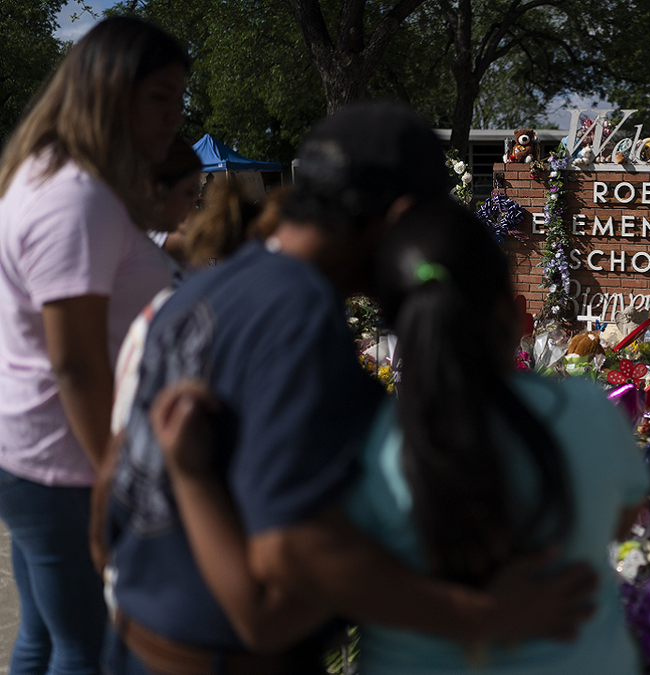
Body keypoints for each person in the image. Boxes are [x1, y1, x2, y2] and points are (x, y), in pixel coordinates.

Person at [99, 101, 601, 675]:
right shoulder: (301, 317)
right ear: (402, 215)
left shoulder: (196, 292)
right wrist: (482, 613)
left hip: (135, 641)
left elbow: (107, 498)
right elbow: (287, 564)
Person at [153, 198, 650, 673]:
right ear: (508, 303)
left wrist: (191, 476)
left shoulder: (373, 440)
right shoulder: (590, 412)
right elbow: (621, 520)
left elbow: (278, 596)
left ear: (394, 320)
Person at [0, 17, 185, 675]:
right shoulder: (74, 198)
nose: (175, 117)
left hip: (44, 456)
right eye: (161, 98)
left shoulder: (57, 177)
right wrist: (117, 472)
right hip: (69, 465)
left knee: (44, 640)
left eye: (179, 99)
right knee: (88, 651)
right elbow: (74, 360)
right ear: (111, 92)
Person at [147, 136, 203, 264]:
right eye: (189, 192)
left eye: (196, 192)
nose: (195, 200)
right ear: (161, 190)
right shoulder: (154, 238)